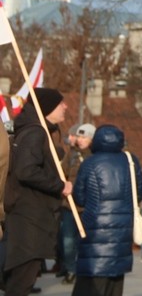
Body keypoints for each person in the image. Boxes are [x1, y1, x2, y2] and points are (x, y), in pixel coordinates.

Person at [4, 88, 73, 296]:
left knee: (22, 280)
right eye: (60, 103)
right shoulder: (35, 132)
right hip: (29, 218)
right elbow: (26, 170)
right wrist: (59, 185)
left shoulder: (40, 132)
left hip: (33, 217)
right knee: (21, 282)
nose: (65, 106)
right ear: (47, 108)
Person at [71, 123, 142, 296]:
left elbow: (79, 198)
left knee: (91, 281)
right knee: (115, 281)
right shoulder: (130, 161)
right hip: (122, 229)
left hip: (94, 229)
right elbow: (141, 190)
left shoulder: (89, 163)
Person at [58, 122, 95, 285]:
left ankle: (83, 269)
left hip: (87, 207)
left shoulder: (94, 156)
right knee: (68, 241)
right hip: (69, 205)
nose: (80, 140)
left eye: (84, 137)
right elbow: (62, 174)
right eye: (79, 137)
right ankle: (71, 269)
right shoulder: (71, 155)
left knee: (85, 241)